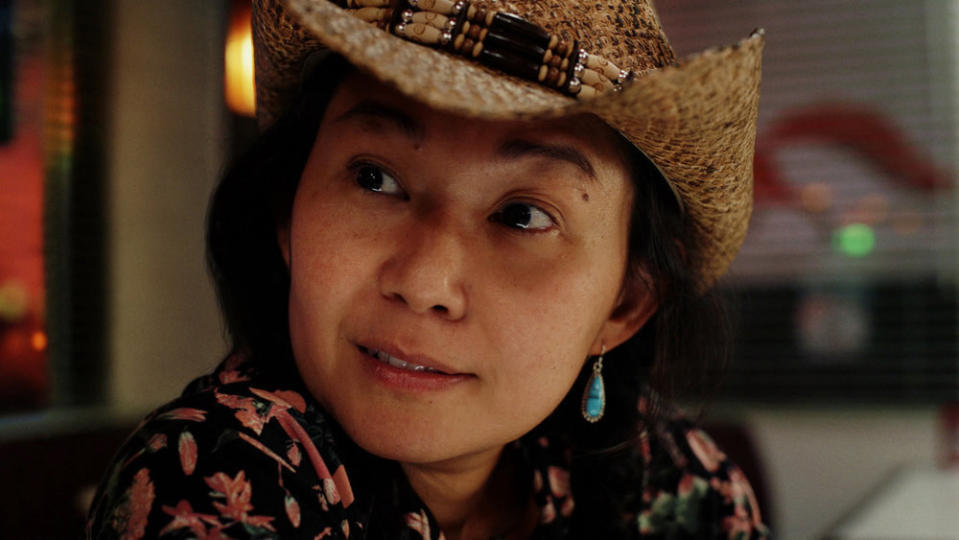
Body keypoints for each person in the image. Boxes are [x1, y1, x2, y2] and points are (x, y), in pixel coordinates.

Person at [87, 0, 768, 538]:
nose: (424, 282)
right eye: (375, 177)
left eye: (522, 216)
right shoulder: (217, 477)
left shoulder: (674, 485)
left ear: (623, 304)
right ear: (286, 215)